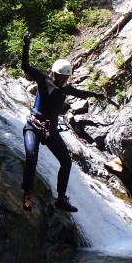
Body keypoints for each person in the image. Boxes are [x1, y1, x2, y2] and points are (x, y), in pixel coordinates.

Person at [21, 31, 105, 212]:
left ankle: (61, 198)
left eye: (67, 77)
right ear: (54, 74)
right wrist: (26, 45)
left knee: (66, 162)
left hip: (50, 130)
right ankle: (27, 193)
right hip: (34, 127)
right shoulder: (44, 80)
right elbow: (26, 66)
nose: (65, 80)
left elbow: (80, 93)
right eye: (62, 76)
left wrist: (95, 94)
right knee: (31, 158)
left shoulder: (66, 87)